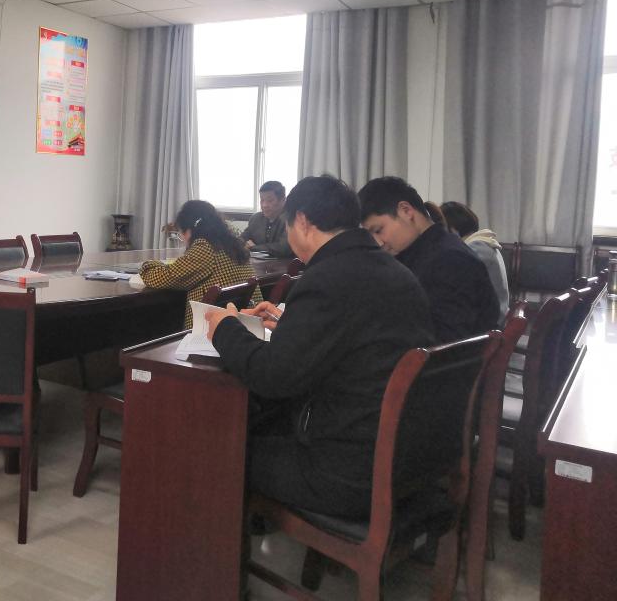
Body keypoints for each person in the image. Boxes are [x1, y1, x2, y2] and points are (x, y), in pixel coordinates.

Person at [204, 175, 436, 518]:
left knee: (214, 445)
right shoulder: (395, 271)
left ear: (301, 221)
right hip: (408, 458)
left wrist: (225, 327)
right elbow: (356, 338)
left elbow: (272, 377)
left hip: (348, 473)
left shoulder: (328, 278)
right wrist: (293, 326)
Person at [358, 176, 498, 343]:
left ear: (406, 211)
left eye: (378, 230)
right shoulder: (422, 252)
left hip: (450, 357)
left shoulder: (450, 259)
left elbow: (448, 340)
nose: (378, 242)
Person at [139, 199, 256, 328]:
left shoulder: (204, 247)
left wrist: (146, 265)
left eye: (181, 233)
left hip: (212, 330)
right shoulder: (235, 244)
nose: (183, 239)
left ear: (190, 230)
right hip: (244, 326)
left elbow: (164, 277)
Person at [440, 200, 510, 325]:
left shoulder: (476, 248)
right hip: (494, 317)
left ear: (453, 230)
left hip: (489, 324)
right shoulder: (483, 243)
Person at [241, 181, 293, 257]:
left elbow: (283, 248)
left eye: (270, 200)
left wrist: (254, 248)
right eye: (262, 200)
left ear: (283, 200)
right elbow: (243, 238)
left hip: (284, 263)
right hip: (256, 263)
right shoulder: (256, 219)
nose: (264, 205)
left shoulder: (291, 220)